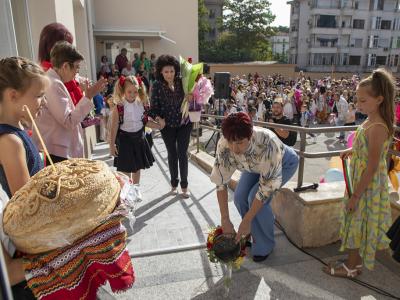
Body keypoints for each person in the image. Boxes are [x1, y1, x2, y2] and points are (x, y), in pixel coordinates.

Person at [324, 69, 395, 278]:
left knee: (358, 223)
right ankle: (354, 263)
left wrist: (356, 195)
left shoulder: (378, 126)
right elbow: (365, 148)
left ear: (379, 99)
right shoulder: (370, 119)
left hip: (367, 186)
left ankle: (351, 269)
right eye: (357, 99)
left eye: (363, 101)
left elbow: (373, 165)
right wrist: (352, 150)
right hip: (361, 181)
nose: (358, 104)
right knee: (357, 221)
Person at [210, 112, 299, 262]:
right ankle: (251, 231)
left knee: (254, 198)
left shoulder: (268, 142)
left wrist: (246, 220)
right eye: (231, 142)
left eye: (239, 142)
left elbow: (264, 192)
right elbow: (220, 182)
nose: (234, 148)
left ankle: (265, 244)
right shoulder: (224, 143)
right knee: (239, 197)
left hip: (283, 164)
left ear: (250, 135)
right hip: (254, 167)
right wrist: (225, 219)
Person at [0, 56, 49, 299]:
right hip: (27, 254)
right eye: (39, 95)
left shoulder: (18, 130)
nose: (43, 102)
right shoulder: (9, 141)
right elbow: (28, 208)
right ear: (12, 95)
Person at [34, 41, 106, 162]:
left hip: (57, 150)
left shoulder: (55, 81)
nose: (77, 72)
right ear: (65, 66)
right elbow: (68, 121)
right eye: (77, 67)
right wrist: (88, 96)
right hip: (55, 153)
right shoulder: (53, 84)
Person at [148, 55, 192, 198]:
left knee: (182, 153)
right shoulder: (157, 86)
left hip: (184, 123)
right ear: (161, 72)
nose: (169, 74)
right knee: (172, 154)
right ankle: (174, 185)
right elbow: (153, 107)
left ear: (176, 71)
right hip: (167, 126)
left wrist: (191, 97)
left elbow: (193, 97)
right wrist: (159, 118)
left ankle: (184, 186)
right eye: (166, 71)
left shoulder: (182, 82)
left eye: (171, 71)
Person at [109, 75, 160, 184]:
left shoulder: (141, 104)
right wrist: (111, 145)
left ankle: (135, 189)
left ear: (139, 90)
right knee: (125, 170)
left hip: (139, 139)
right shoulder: (119, 107)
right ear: (123, 91)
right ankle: (127, 193)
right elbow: (114, 127)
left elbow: (145, 121)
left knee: (137, 167)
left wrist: (158, 125)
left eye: (135, 92)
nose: (132, 95)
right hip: (124, 140)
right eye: (129, 92)